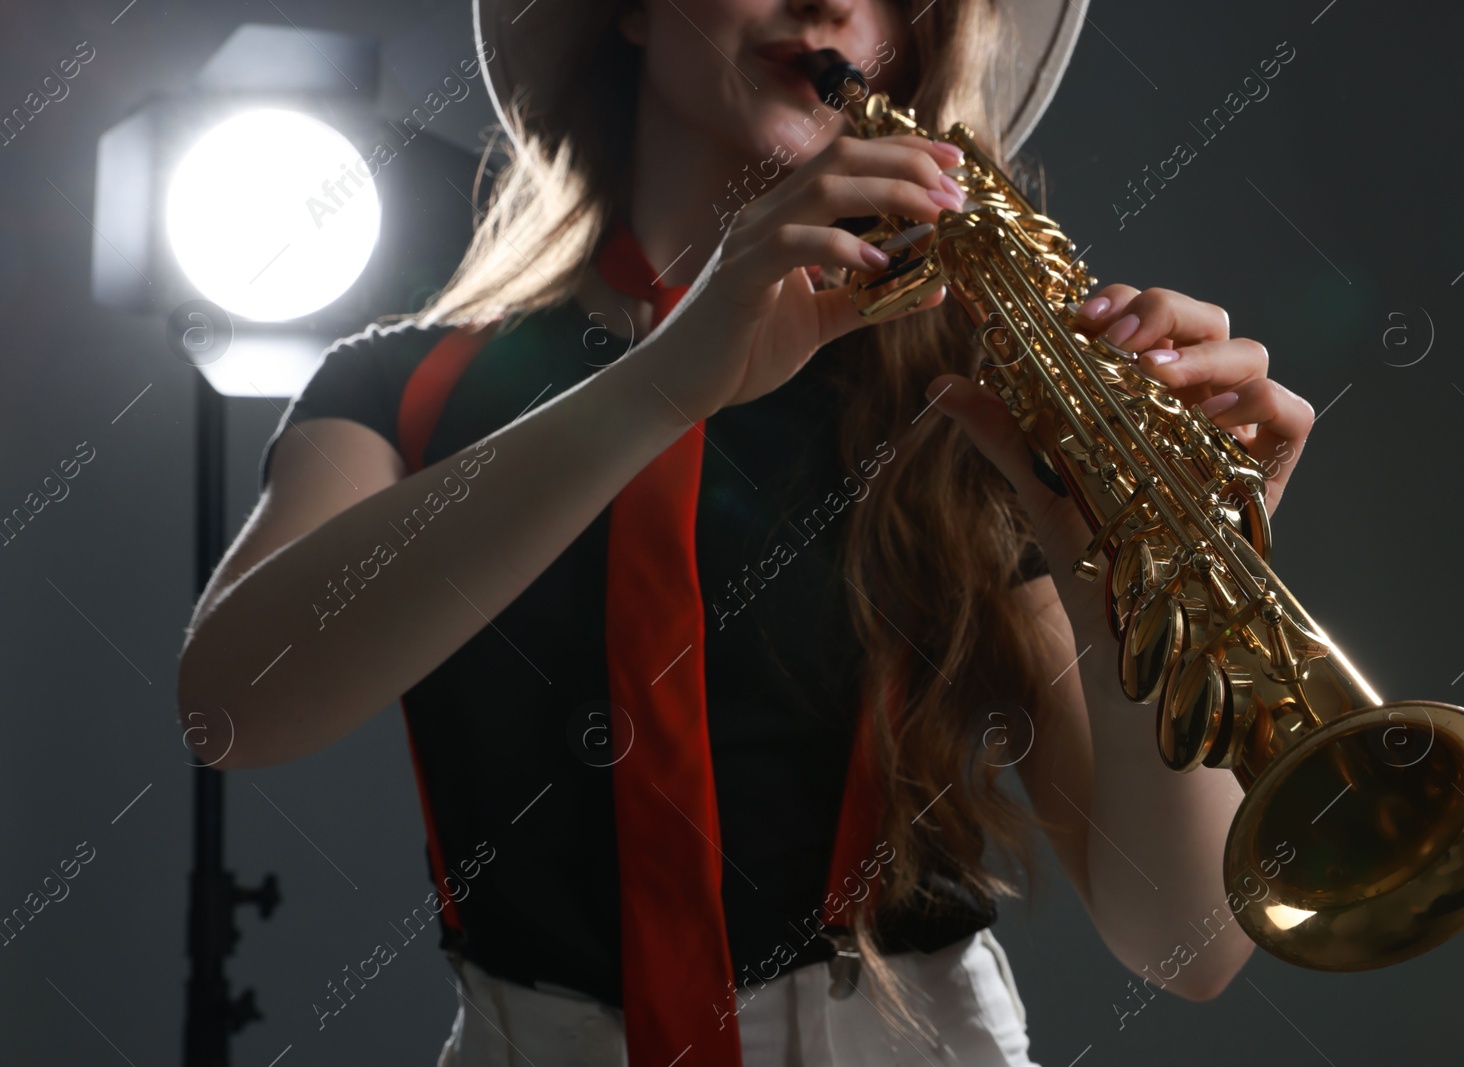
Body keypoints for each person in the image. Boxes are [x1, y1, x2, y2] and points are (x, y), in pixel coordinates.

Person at [176, 0, 1316, 1063]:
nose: (828, 1)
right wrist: (664, 381)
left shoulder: (980, 400)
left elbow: (1187, 943)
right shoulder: (402, 383)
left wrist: (1130, 566)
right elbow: (232, 703)